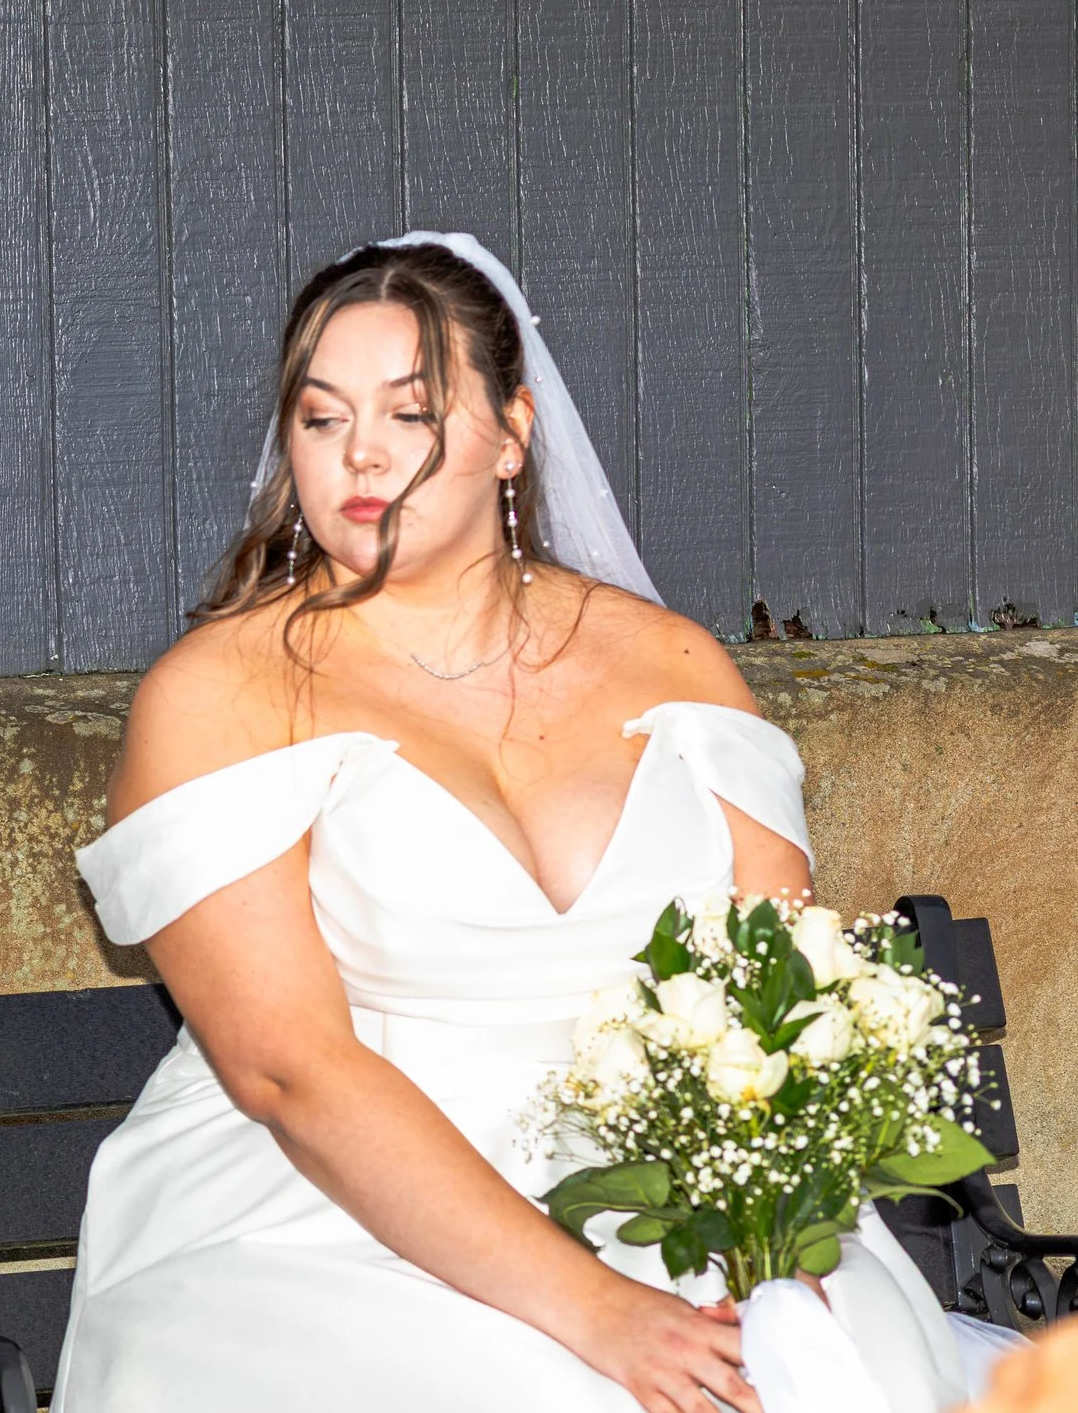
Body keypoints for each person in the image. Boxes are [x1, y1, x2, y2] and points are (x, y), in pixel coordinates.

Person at [50, 234, 966, 1412]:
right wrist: (598, 1310)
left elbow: (775, 999)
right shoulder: (222, 694)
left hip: (669, 1181)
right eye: (321, 418)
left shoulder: (674, 664)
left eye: (410, 413)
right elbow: (287, 1070)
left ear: (511, 433)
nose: (361, 453)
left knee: (823, 1363)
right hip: (324, 1208)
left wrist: (764, 1237)